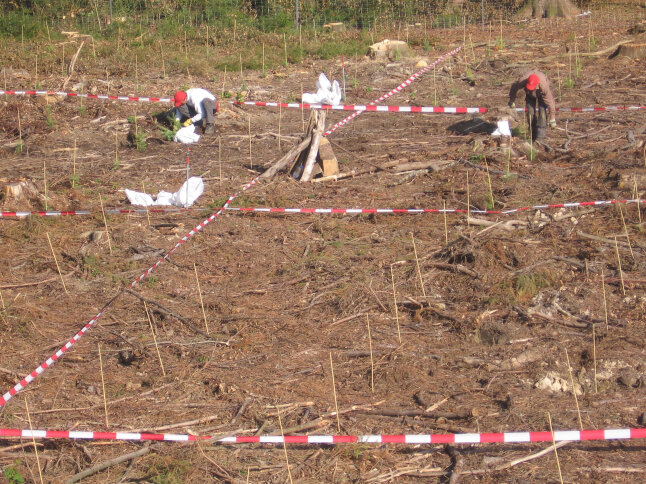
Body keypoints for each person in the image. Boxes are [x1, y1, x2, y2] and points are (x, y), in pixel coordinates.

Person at [508, 70, 556, 141]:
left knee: (542, 112)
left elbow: (551, 102)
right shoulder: (522, 81)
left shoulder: (544, 86)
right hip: (529, 94)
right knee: (530, 113)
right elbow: (514, 88)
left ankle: (540, 137)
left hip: (541, 95)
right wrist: (512, 100)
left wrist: (552, 118)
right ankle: (533, 134)